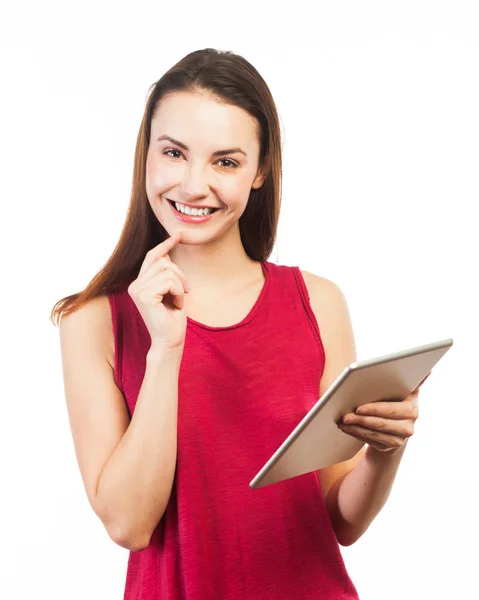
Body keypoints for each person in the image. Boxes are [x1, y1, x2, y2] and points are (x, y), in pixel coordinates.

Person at [52, 48, 428, 600]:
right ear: (146, 157)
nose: (194, 184)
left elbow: (340, 520)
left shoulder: (317, 302)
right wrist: (165, 351)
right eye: (174, 153)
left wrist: (385, 451)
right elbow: (129, 524)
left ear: (260, 171)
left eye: (225, 161)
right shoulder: (93, 321)